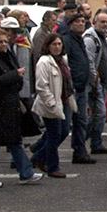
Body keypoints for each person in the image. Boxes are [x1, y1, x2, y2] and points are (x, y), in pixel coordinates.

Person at [0, 28, 44, 188]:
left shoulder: (6, 58)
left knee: (14, 142)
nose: (4, 44)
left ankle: (25, 173)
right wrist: (14, 75)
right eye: (0, 42)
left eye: (5, 41)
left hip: (7, 108)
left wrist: (16, 78)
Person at [31, 33, 76, 178]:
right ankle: (52, 166)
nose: (57, 47)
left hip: (62, 101)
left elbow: (67, 81)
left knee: (61, 132)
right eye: (54, 44)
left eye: (59, 44)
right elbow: (41, 86)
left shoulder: (63, 60)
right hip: (49, 104)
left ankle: (38, 153)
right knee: (54, 134)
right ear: (48, 46)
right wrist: (50, 103)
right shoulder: (44, 62)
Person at [62, 13, 95, 164]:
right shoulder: (67, 40)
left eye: (83, 21)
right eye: (78, 22)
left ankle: (80, 151)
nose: (81, 24)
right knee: (64, 125)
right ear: (70, 24)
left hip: (82, 87)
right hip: (72, 88)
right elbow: (65, 62)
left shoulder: (80, 40)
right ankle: (40, 150)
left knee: (82, 121)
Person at [83, 12, 107, 155]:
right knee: (99, 113)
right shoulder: (90, 39)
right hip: (93, 83)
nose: (105, 25)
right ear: (95, 22)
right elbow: (89, 63)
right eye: (102, 22)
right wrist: (95, 81)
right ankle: (82, 139)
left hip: (100, 82)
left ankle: (95, 143)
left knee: (98, 114)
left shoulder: (103, 39)